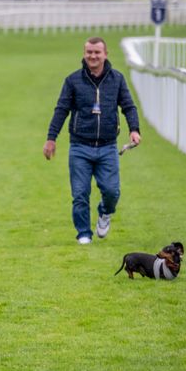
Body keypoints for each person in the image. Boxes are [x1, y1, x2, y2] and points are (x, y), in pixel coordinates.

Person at [44, 36, 141, 245]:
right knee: (80, 193)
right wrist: (51, 138)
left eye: (97, 52)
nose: (93, 56)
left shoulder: (117, 79)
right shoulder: (72, 81)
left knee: (111, 191)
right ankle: (84, 234)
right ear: (84, 54)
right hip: (79, 147)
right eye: (89, 52)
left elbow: (129, 106)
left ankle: (105, 213)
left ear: (105, 54)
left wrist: (134, 129)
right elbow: (61, 110)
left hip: (107, 147)